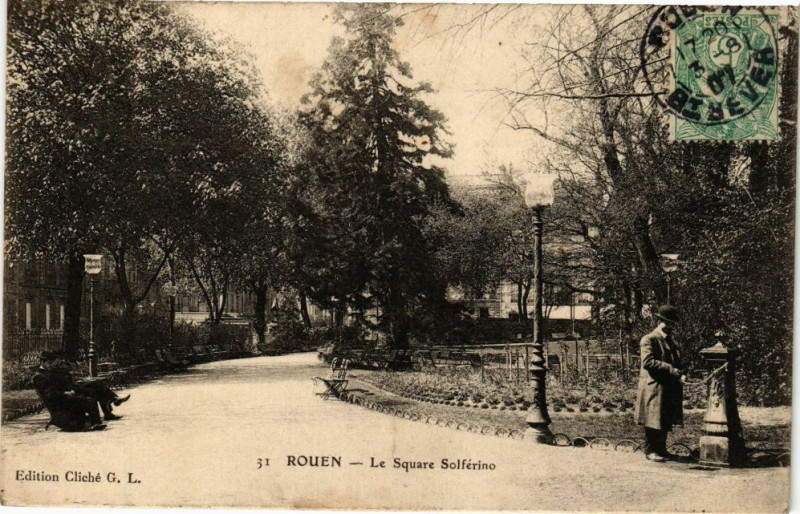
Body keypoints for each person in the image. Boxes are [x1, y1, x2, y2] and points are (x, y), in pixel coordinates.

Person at [634, 305, 685, 462]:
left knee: (664, 417)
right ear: (660, 321)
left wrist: (681, 372)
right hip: (654, 385)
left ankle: (661, 449)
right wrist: (670, 369)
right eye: (668, 323)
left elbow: (676, 360)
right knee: (653, 418)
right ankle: (650, 451)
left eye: (673, 324)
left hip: (668, 386)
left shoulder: (670, 341)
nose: (671, 327)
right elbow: (648, 362)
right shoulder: (649, 339)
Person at [33, 351, 130, 429]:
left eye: (52, 362)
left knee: (98, 385)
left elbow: (65, 381)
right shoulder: (40, 376)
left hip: (71, 389)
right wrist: (65, 392)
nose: (52, 364)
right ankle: (98, 421)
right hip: (62, 399)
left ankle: (112, 403)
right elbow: (49, 394)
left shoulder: (51, 371)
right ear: (42, 362)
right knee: (92, 395)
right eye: (50, 363)